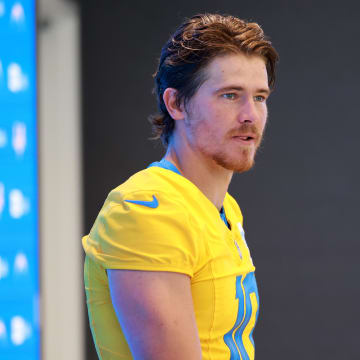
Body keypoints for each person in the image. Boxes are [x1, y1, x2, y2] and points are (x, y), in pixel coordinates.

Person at [82, 13, 278, 360]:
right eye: (230, 95)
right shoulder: (147, 209)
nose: (250, 114)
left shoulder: (223, 208)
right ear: (175, 103)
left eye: (259, 97)